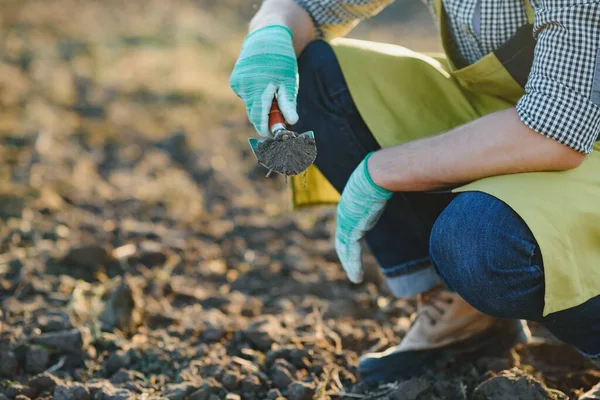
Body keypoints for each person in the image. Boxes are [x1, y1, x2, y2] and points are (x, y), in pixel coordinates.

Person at [229, 0, 600, 383]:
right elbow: (311, 7)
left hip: (574, 139)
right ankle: (463, 313)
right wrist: (272, 30)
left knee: (480, 238)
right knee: (313, 73)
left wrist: (383, 169)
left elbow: (557, 130)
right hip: (509, 116)